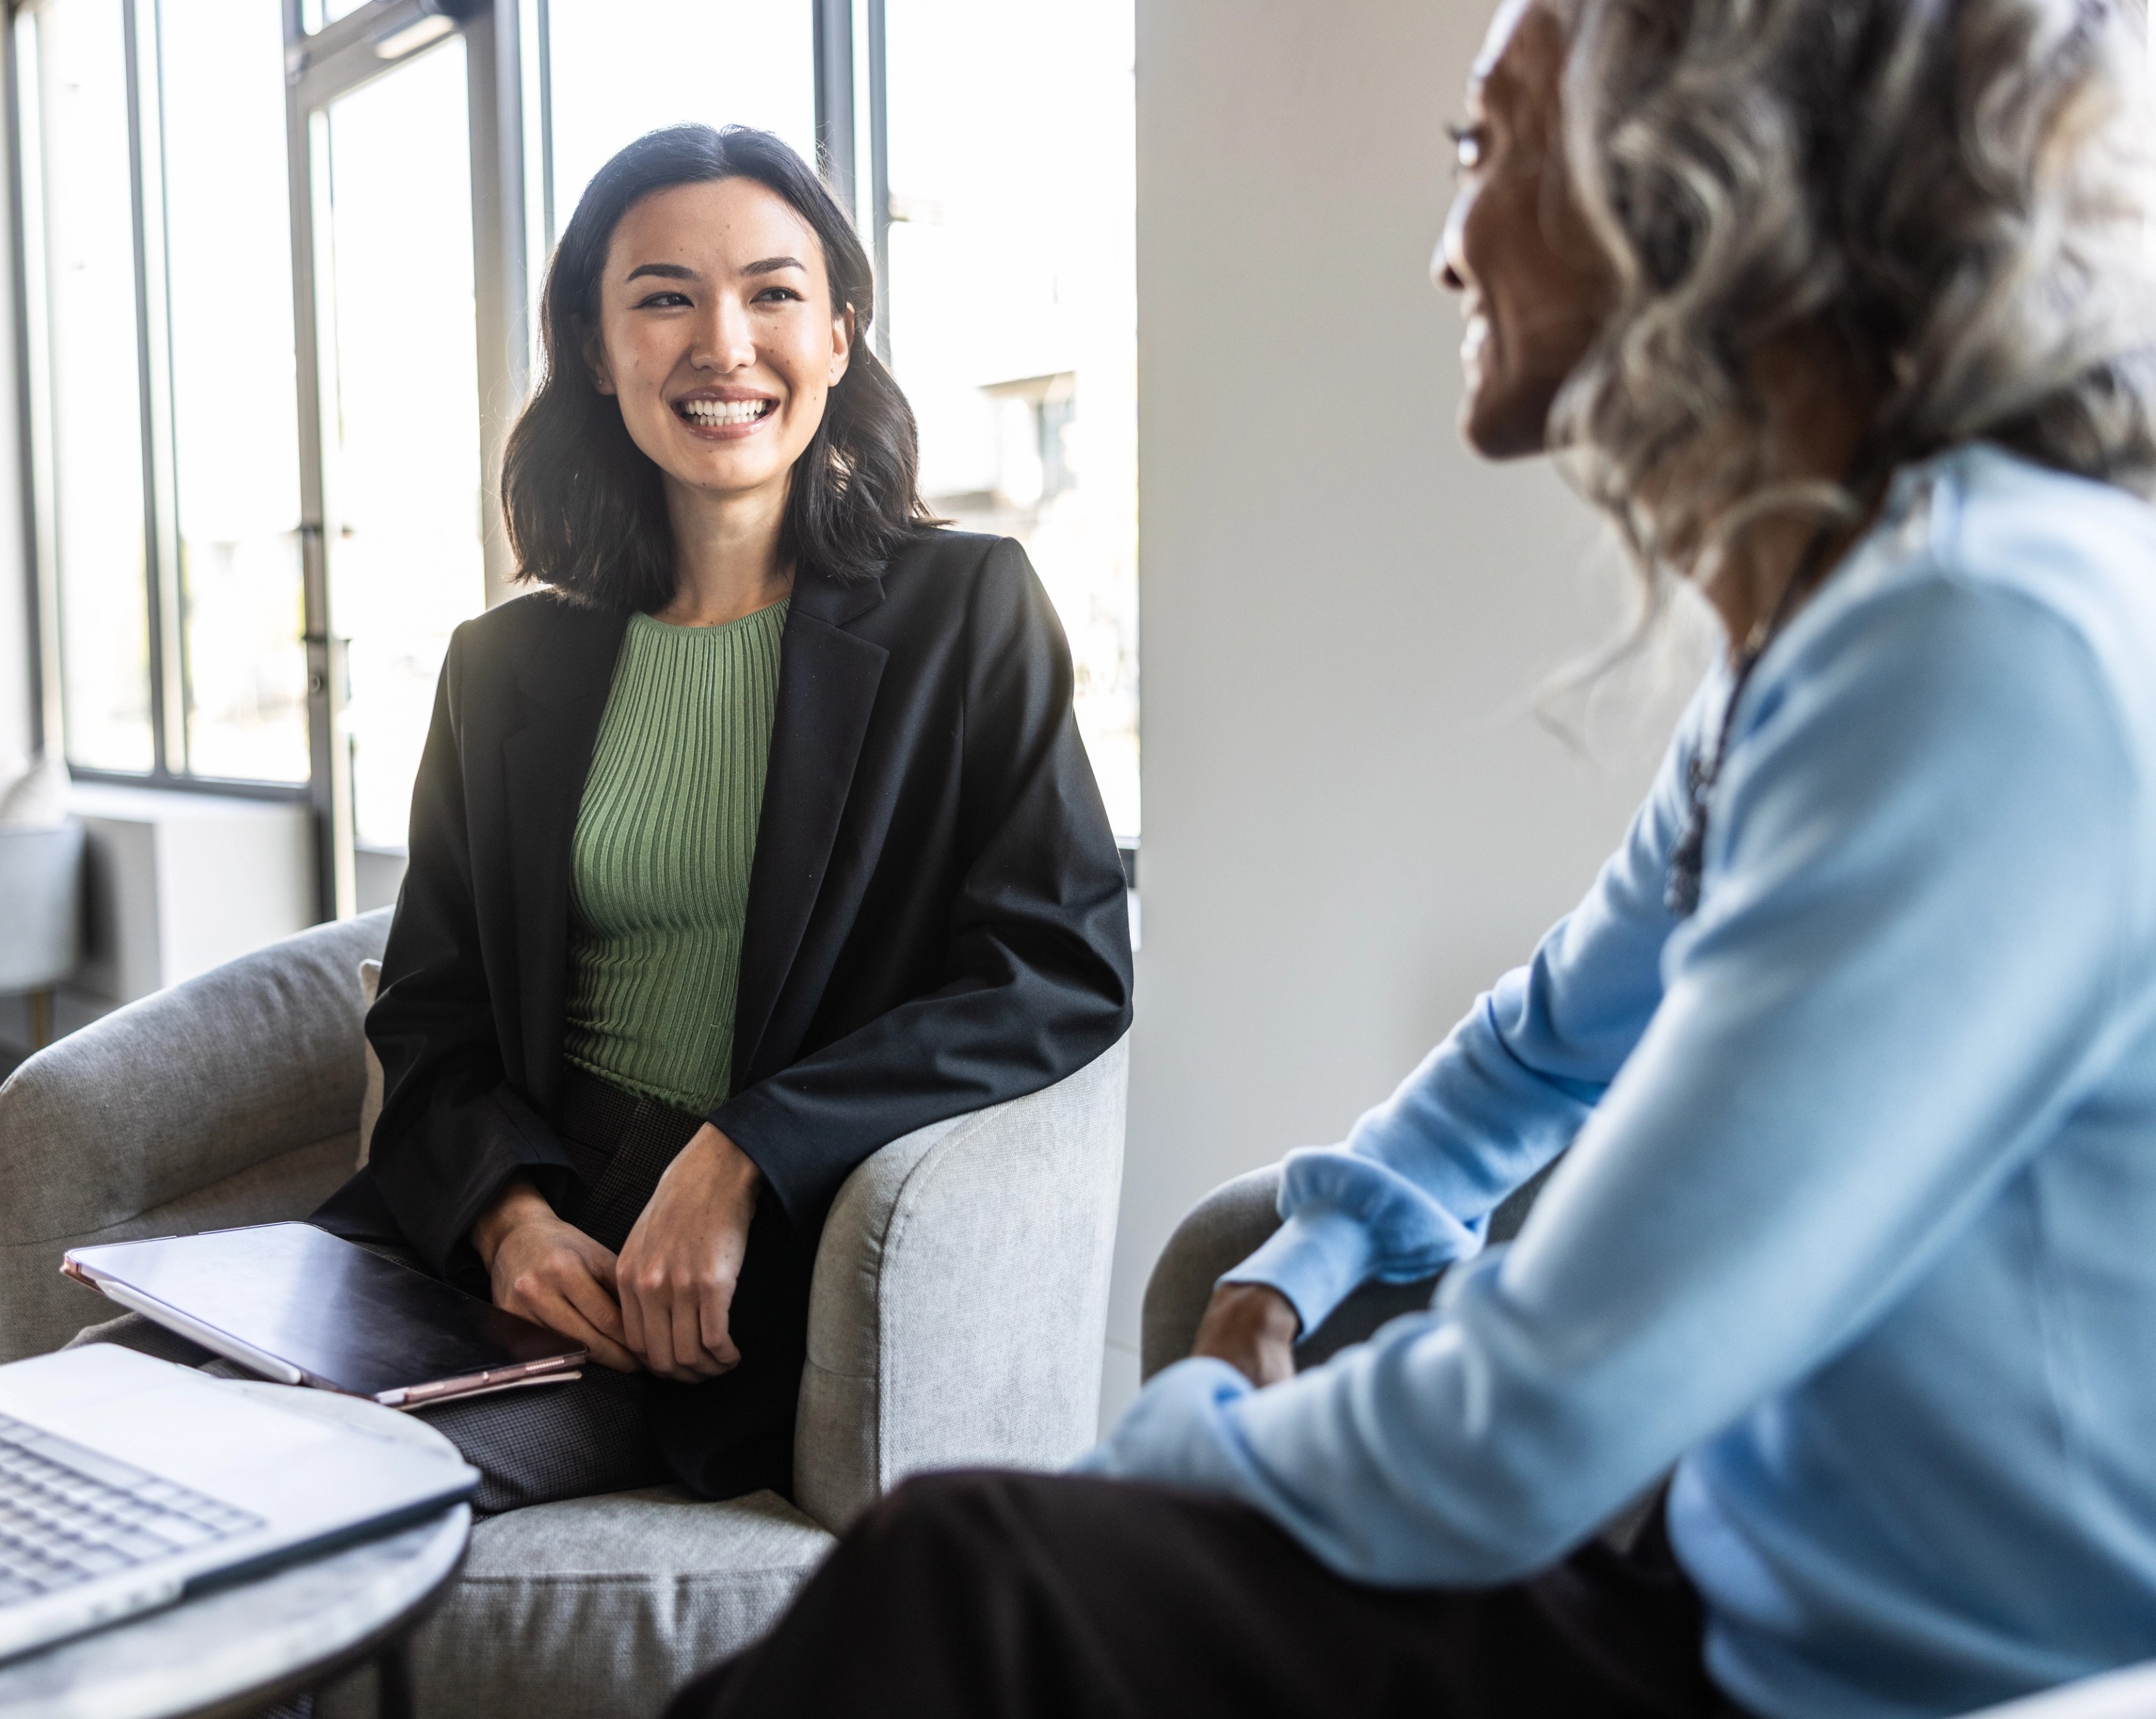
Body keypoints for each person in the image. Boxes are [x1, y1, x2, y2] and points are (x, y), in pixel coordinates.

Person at [665, 0, 2156, 1714]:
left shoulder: (1979, 645)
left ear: (1689, 170)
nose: (1451, 253)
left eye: (1485, 145)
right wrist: (1290, 1270)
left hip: (1863, 1681)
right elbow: (1541, 1045)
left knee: (966, 1590)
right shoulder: (1828, 640)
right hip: (1719, 1597)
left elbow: (1536, 1423)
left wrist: (1166, 1451)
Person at [299, 125, 1134, 1514]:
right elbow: (431, 1018)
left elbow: (1060, 967)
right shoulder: (500, 666)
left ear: (842, 332)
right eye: (665, 296)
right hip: (507, 1235)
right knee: (127, 1405)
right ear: (595, 340)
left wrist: (749, 1148)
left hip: (727, 1281)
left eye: (773, 292)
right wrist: (508, 1222)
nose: (724, 343)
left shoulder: (969, 614)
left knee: (309, 1507)